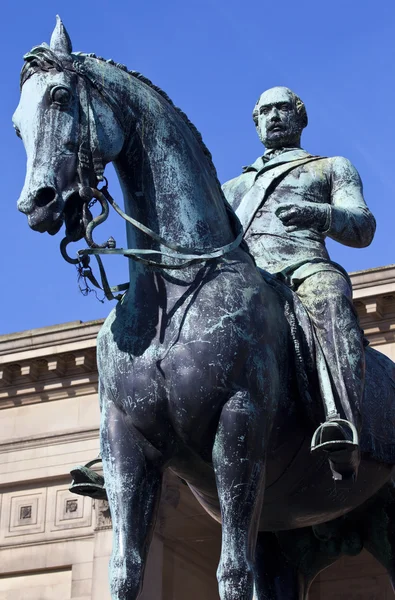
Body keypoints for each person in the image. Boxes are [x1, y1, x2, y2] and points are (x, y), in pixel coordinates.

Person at [222, 86, 376, 481]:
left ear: (300, 117)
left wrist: (318, 213)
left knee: (328, 298)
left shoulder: (329, 167)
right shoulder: (232, 189)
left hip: (304, 269)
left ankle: (343, 422)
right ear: (256, 122)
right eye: (265, 111)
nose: (273, 116)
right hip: (244, 279)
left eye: (282, 109)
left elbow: (362, 227)